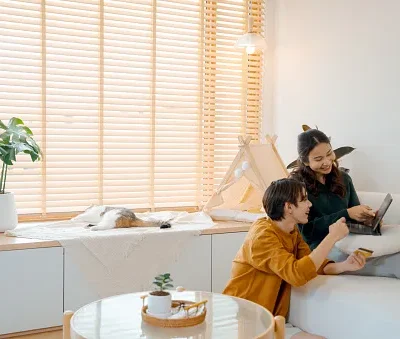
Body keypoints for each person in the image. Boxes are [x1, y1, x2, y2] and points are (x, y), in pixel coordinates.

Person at [223, 178, 366, 339]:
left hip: (270, 319)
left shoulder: (291, 230)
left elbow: (310, 262)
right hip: (242, 321)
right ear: (288, 207)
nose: (310, 204)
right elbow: (296, 274)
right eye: (304, 199)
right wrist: (331, 237)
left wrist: (343, 266)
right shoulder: (262, 237)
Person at [291, 128, 399, 278]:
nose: (327, 161)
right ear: (304, 161)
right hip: (322, 248)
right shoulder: (296, 186)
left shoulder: (343, 178)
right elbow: (307, 232)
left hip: (350, 240)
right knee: (393, 263)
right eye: (318, 159)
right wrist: (346, 213)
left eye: (329, 153)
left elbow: (354, 212)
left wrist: (367, 218)